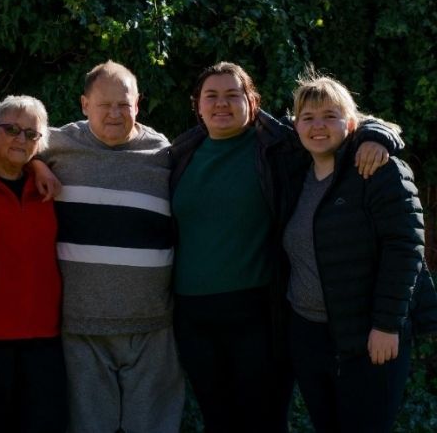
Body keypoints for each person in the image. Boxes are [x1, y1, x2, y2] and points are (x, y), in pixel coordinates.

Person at [168, 62, 403, 433]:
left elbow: (341, 124)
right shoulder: (179, 154)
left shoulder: (281, 147)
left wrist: (378, 136)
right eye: (211, 96)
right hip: (193, 317)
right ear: (197, 104)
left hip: (259, 312)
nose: (222, 104)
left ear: (253, 102)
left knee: (264, 420)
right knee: (218, 419)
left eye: (233, 94)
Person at [284, 75, 437, 433]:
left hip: (369, 337)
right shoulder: (293, 174)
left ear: (351, 123)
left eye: (330, 115)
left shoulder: (379, 171)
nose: (317, 125)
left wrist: (386, 324)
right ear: (296, 126)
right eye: (307, 117)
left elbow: (405, 248)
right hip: (309, 336)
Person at [39, 60, 184, 433]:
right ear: (85, 104)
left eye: (124, 104)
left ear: (138, 104)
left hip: (151, 324)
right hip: (81, 324)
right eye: (105, 105)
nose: (115, 114)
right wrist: (36, 165)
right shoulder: (55, 144)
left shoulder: (164, 153)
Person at [0, 95, 67, 433]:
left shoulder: (49, 183)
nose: (21, 139)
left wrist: (37, 165)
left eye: (31, 134)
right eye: (11, 129)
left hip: (44, 337)